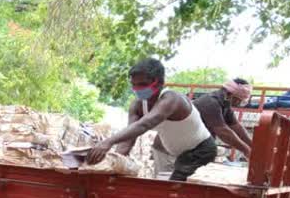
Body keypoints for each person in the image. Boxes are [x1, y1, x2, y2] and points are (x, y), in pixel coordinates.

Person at [87, 58, 216, 181]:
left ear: (159, 82)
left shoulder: (172, 99)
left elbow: (145, 124)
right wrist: (113, 163)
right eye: (134, 85)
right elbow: (128, 139)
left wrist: (108, 142)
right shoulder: (137, 105)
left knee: (176, 189)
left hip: (201, 150)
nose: (138, 89)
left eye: (143, 84)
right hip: (177, 154)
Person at [192, 78, 253, 159]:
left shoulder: (225, 103)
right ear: (230, 94)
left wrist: (253, 146)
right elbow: (223, 132)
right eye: (239, 100)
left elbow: (236, 127)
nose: (238, 104)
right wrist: (246, 150)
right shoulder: (211, 102)